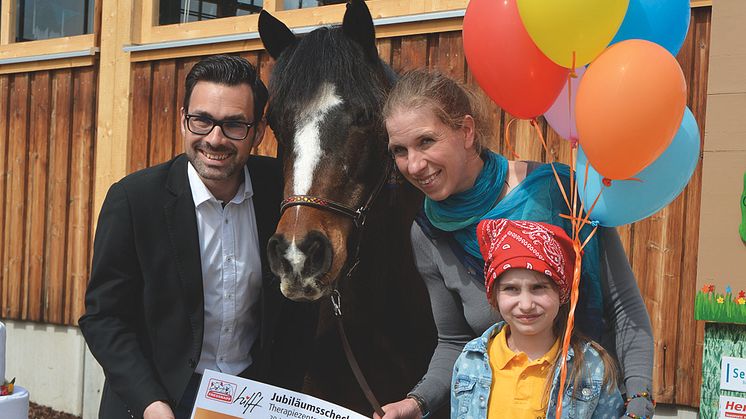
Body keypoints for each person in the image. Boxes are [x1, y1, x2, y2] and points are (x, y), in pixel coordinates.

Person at [378, 69, 654, 419]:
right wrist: (417, 402)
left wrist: (639, 401)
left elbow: (624, 307)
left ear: (466, 131)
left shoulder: (559, 192)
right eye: (399, 150)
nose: (414, 165)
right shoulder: (429, 233)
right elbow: (454, 342)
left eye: (426, 141)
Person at [79, 55, 316, 419]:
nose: (215, 139)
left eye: (234, 124)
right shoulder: (134, 200)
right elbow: (104, 318)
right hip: (159, 399)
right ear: (182, 119)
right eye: (202, 120)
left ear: (259, 131)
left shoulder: (282, 195)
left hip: (252, 398)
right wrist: (150, 403)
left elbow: (297, 313)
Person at [451, 217, 624, 419]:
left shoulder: (591, 367)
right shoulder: (470, 362)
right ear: (494, 295)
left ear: (561, 294)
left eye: (538, 288)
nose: (526, 304)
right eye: (511, 289)